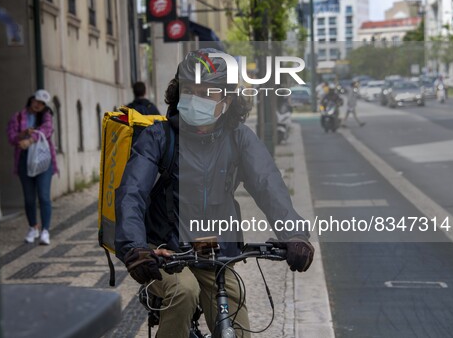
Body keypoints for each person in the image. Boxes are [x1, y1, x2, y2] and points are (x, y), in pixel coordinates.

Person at [114, 48, 314, 338]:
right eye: (191, 91)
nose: (198, 98)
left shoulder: (239, 137)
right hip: (165, 251)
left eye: (208, 92)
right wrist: (135, 246)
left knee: (237, 322)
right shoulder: (158, 137)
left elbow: (267, 183)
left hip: (214, 253)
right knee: (183, 292)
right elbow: (132, 192)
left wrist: (293, 234)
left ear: (227, 99)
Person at [7, 89, 58, 245]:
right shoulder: (18, 116)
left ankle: (45, 231)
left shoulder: (46, 117)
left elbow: (46, 130)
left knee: (43, 196)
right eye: (37, 101)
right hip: (24, 160)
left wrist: (30, 140)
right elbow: (11, 137)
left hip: (43, 160)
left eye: (42, 104)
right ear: (31, 100)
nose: (38, 105)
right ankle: (32, 227)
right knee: (29, 198)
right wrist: (22, 135)